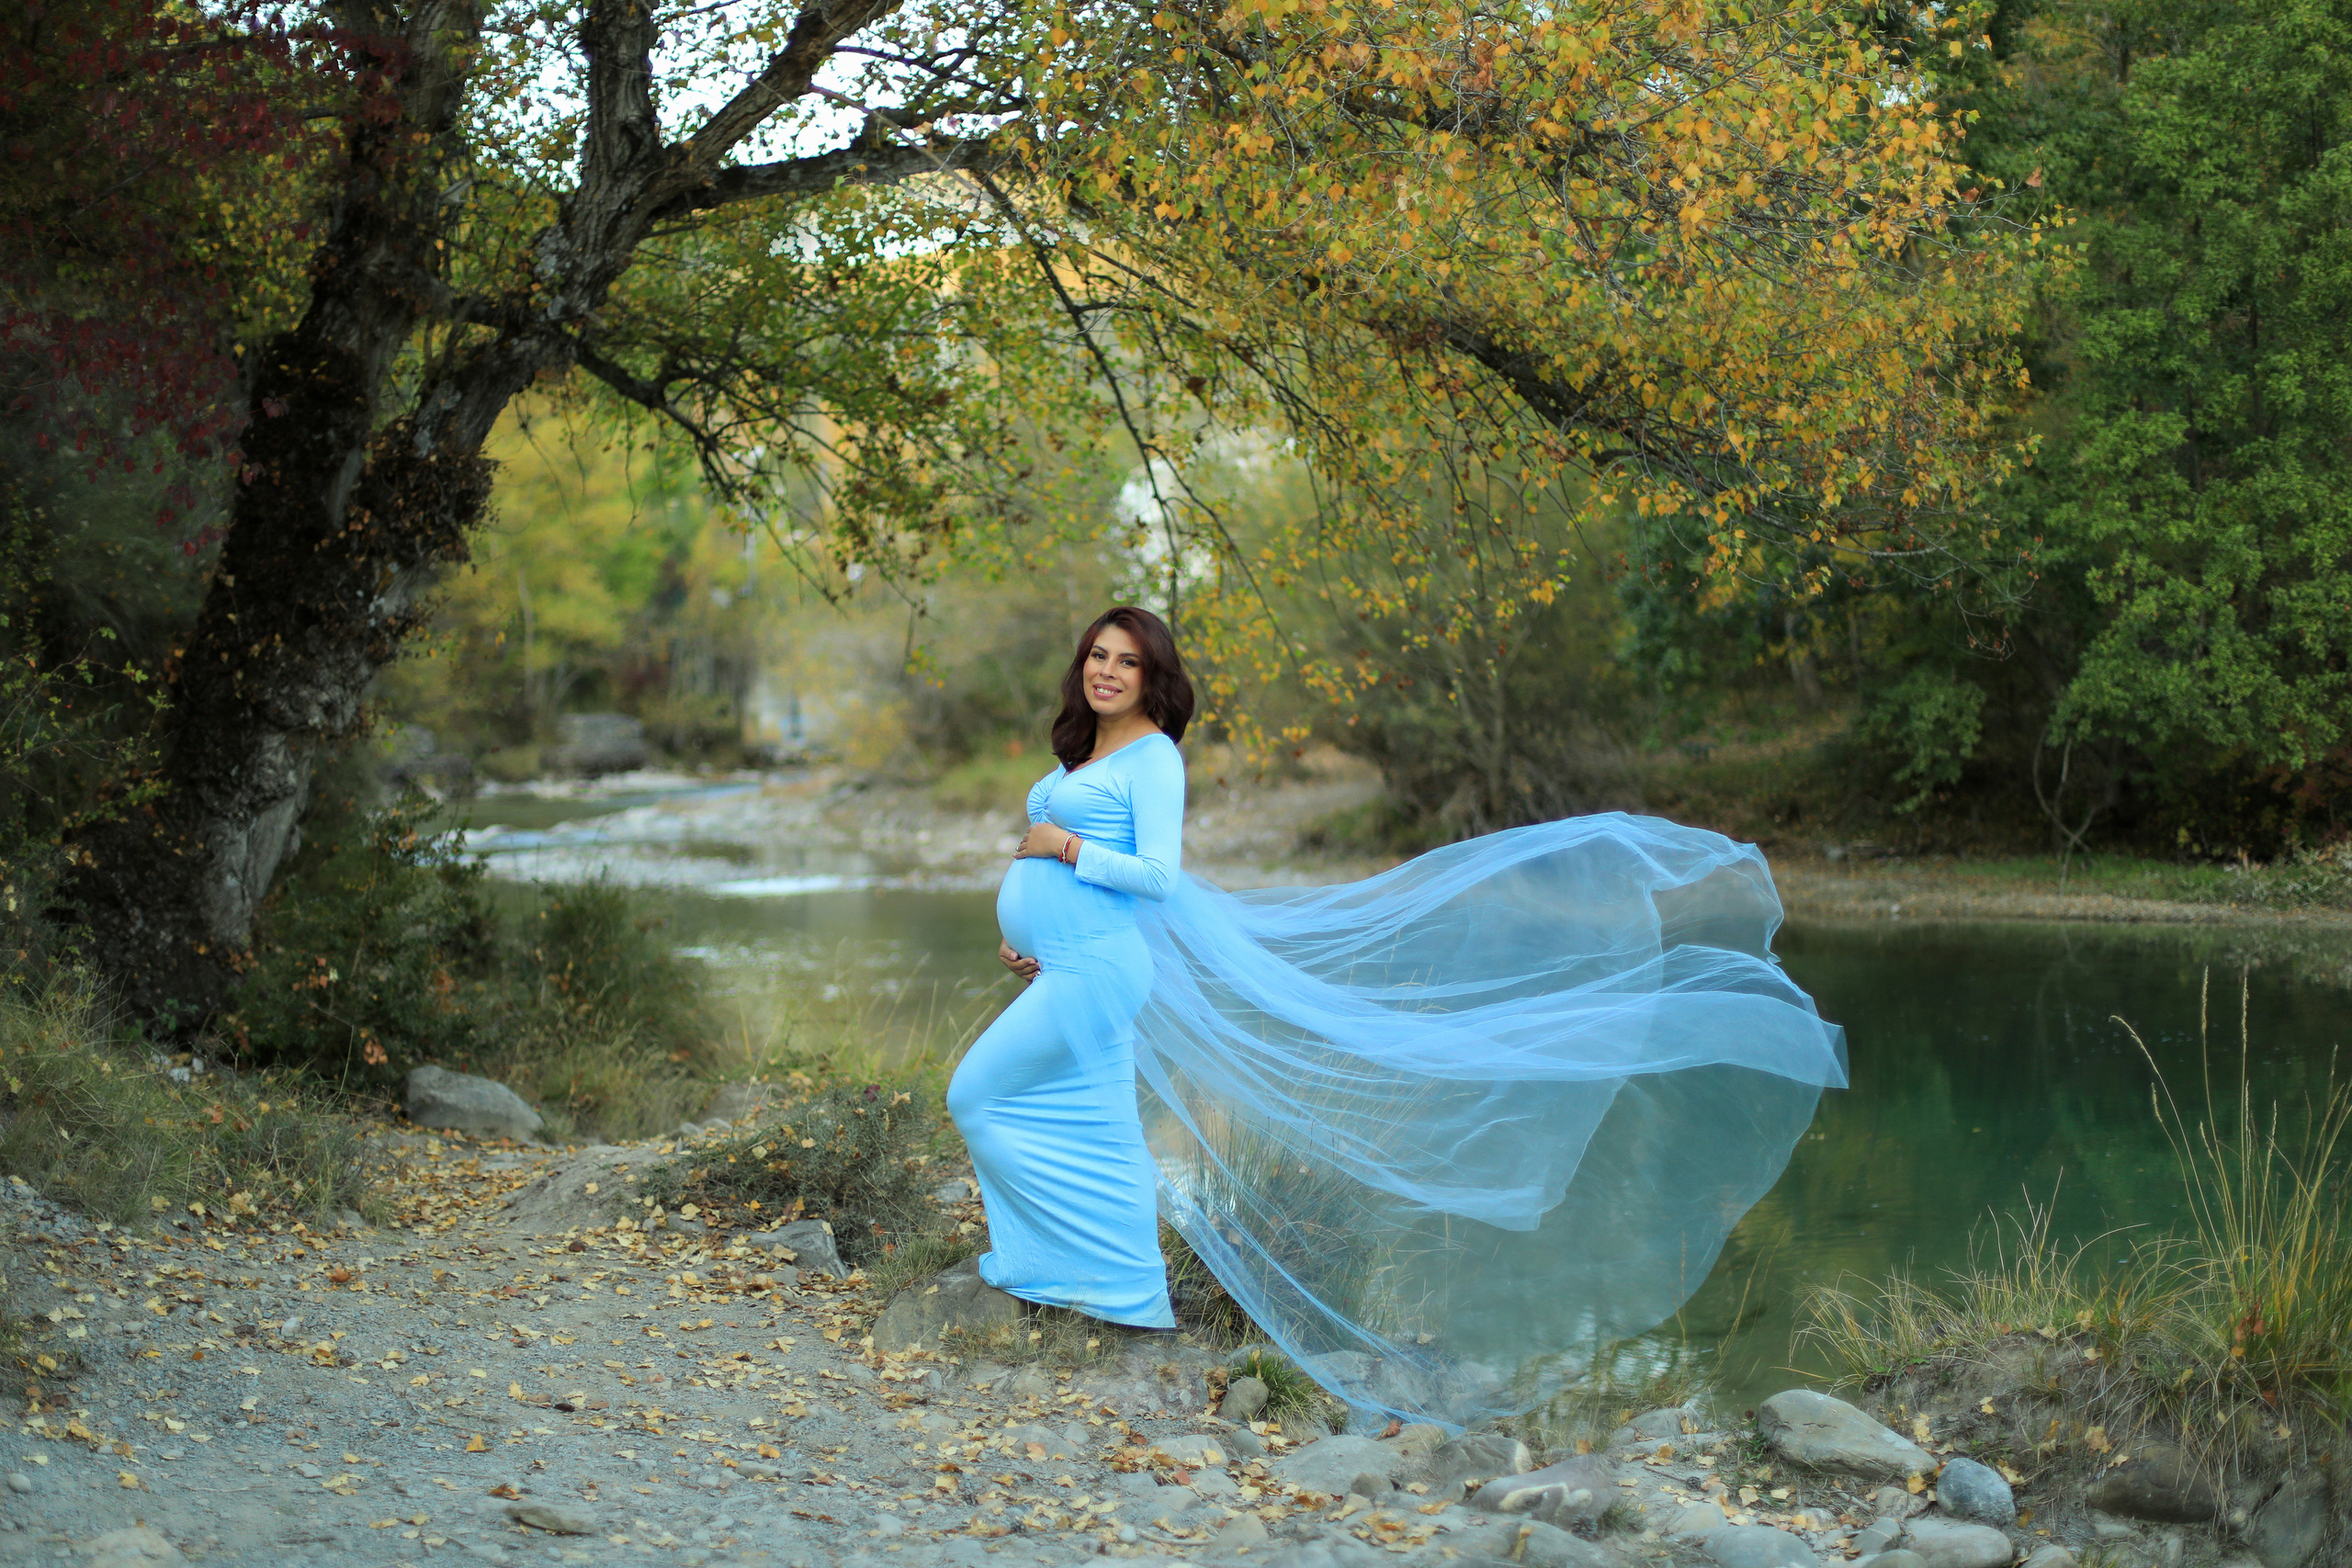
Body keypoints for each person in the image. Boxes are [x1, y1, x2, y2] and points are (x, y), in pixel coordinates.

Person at [946, 606, 1848, 1427]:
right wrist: (1031, 935)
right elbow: (1090, 888)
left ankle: (1098, 1279)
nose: (1106, 670)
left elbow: (1157, 878)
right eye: (1096, 656)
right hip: (1068, 962)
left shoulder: (1152, 760)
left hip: (1101, 972)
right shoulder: (1086, 756)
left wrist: (1062, 847)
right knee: (1087, 1121)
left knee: (977, 1096)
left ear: (1154, 678)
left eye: (1126, 661)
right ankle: (1102, 1283)